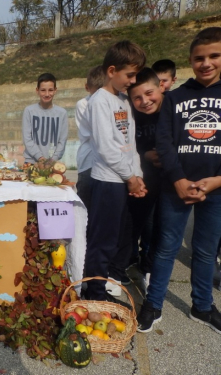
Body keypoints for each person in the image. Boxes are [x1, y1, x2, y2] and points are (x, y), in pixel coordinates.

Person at [137, 27, 221, 334]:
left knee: (205, 250)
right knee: (166, 247)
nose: (206, 63)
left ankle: (202, 306)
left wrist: (216, 181)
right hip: (178, 187)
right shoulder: (176, 98)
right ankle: (153, 303)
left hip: (216, 189)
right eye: (199, 57)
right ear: (190, 60)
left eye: (214, 56)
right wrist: (179, 179)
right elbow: (164, 143)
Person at [81, 40, 147, 303]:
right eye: (129, 75)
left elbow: (130, 144)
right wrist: (130, 177)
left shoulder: (122, 101)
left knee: (116, 238)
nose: (132, 81)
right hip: (108, 182)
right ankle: (94, 292)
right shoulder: (100, 101)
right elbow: (107, 148)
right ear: (111, 71)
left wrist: (138, 174)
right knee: (102, 241)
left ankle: (100, 287)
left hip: (123, 180)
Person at [126, 68, 165, 292]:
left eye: (149, 94)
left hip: (169, 181)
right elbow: (129, 144)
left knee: (160, 230)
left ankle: (149, 269)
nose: (144, 101)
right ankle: (127, 262)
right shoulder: (133, 113)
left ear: (161, 86)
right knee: (137, 223)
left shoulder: (171, 109)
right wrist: (146, 155)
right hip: (142, 179)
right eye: (137, 98)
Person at [75, 65, 105, 211]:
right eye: (95, 92)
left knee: (103, 208)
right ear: (87, 88)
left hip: (108, 165)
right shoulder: (82, 104)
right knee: (84, 207)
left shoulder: (114, 102)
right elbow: (94, 134)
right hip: (88, 162)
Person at [22, 73, 68, 164]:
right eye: (43, 90)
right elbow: (27, 138)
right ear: (37, 90)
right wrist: (40, 157)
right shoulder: (29, 111)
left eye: (50, 90)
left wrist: (53, 159)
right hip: (31, 162)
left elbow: (62, 141)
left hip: (52, 162)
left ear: (55, 90)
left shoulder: (62, 113)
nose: (47, 94)